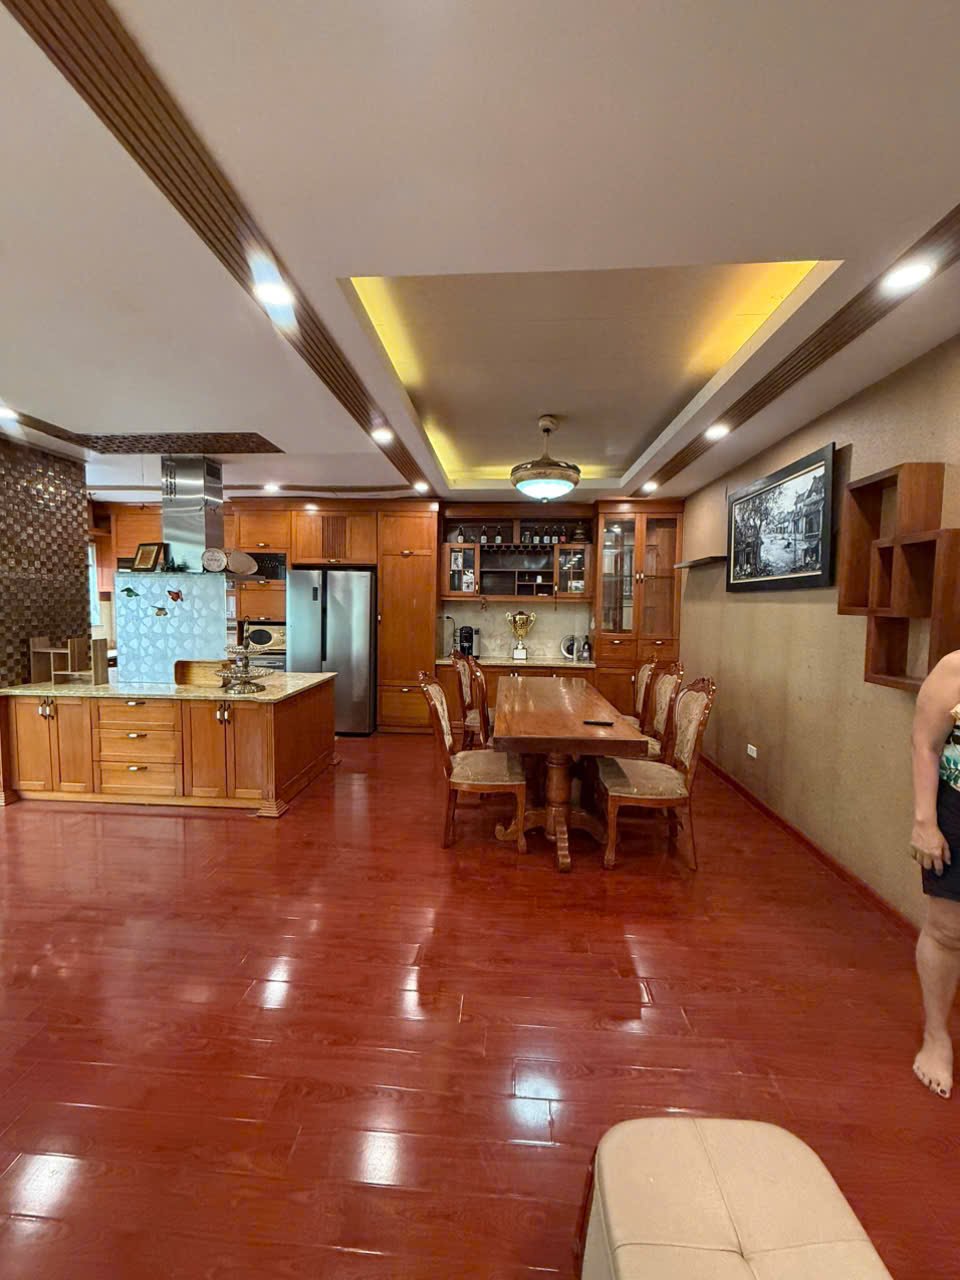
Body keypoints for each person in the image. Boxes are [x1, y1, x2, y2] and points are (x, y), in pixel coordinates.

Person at [910, 650, 960, 1098]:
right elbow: (926, 745)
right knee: (947, 930)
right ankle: (936, 1036)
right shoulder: (956, 669)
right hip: (957, 811)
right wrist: (925, 822)